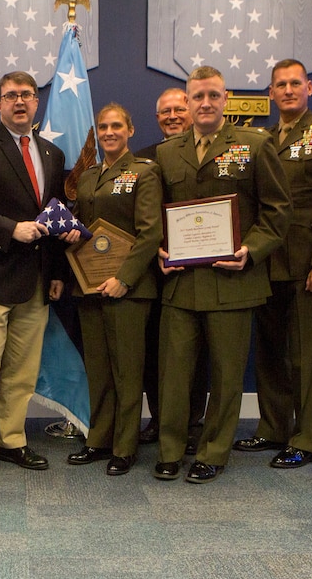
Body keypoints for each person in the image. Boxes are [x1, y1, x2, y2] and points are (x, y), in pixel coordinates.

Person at [153, 66, 290, 484]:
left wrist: (251, 250)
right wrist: (160, 247)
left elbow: (278, 211)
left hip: (233, 281)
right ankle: (171, 449)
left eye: (213, 95)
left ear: (225, 98)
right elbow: (157, 213)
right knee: (174, 375)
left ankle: (213, 451)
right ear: (188, 102)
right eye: (198, 97)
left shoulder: (254, 144)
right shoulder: (167, 152)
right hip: (182, 283)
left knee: (227, 375)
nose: (206, 104)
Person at [0, 71, 78, 489]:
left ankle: (11, 440)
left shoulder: (53, 154)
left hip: (38, 281)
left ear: (36, 103)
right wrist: (11, 229)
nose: (19, 102)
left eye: (26, 95)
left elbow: (56, 215)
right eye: (11, 96)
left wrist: (58, 272)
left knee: (22, 373)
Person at [233, 59, 312, 468]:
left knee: (308, 355)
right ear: (270, 93)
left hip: (309, 264)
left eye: (295, 83)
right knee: (270, 351)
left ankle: (306, 438)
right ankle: (272, 428)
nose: (287, 90)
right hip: (267, 262)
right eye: (280, 85)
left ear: (309, 88)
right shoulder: (261, 138)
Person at [66, 103, 162, 475]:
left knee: (127, 369)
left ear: (130, 130)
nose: (108, 132)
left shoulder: (144, 172)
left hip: (129, 289)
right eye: (103, 126)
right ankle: (99, 439)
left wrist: (124, 278)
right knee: (99, 368)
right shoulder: (88, 177)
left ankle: (125, 445)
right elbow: (89, 229)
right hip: (90, 285)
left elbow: (150, 232)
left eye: (116, 126)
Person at [135, 88, 208, 452]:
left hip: (201, 268)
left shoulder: (208, 155)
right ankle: (160, 418)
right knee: (152, 349)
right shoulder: (143, 159)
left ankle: (192, 423)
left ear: (193, 110)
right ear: (156, 117)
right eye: (165, 111)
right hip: (154, 268)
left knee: (196, 351)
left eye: (180, 108)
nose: (173, 115)